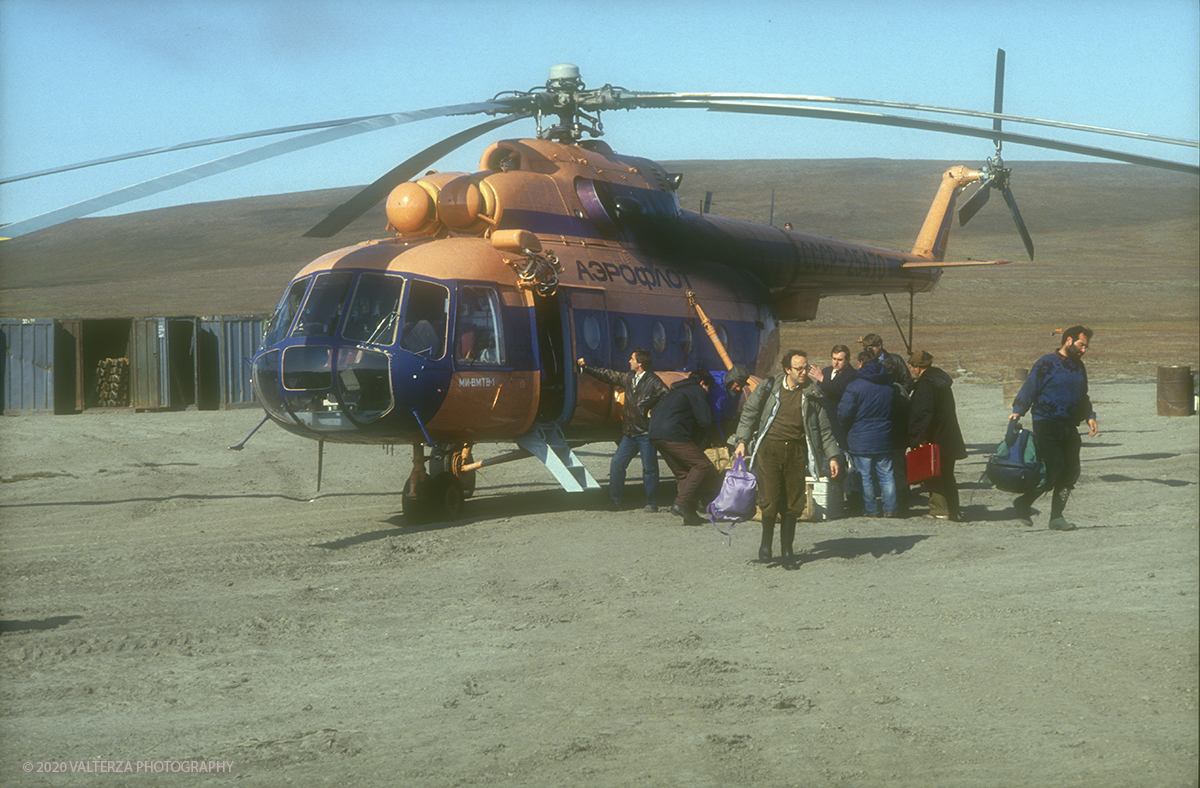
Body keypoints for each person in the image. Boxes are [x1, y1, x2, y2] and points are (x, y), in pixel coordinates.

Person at [731, 350, 842, 567]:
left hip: (796, 453)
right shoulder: (769, 387)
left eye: (806, 367)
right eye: (799, 368)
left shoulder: (811, 393)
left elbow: (824, 429)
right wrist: (741, 440)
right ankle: (765, 543)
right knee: (770, 500)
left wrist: (832, 456)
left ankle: (787, 551)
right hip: (769, 451)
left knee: (793, 503)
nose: (804, 372)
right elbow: (749, 414)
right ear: (787, 370)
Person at [1009, 326, 1099, 531]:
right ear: (1068, 340)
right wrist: (1018, 411)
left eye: (1086, 346)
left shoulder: (1079, 367)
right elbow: (1030, 387)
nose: (1084, 350)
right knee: (1054, 470)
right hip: (1047, 422)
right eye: (1081, 345)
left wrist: (1090, 416)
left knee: (1071, 472)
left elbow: (1083, 395)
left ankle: (1056, 518)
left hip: (1069, 424)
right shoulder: (1046, 363)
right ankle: (1024, 502)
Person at [577, 350, 669, 512]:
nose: (629, 361)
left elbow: (667, 397)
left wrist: (653, 411)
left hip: (645, 433)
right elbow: (608, 375)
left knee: (649, 469)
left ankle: (651, 503)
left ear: (640, 363)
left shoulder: (653, 381)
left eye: (632, 359)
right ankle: (615, 501)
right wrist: (587, 368)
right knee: (617, 464)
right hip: (630, 432)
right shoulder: (629, 378)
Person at [649, 368, 720, 525]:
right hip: (673, 434)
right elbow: (705, 420)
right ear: (703, 383)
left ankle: (689, 513)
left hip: (655, 434)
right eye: (708, 388)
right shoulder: (696, 390)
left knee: (682, 473)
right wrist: (717, 439)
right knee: (702, 465)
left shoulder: (676, 391)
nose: (708, 392)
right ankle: (681, 504)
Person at [838, 351, 901, 517]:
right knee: (887, 474)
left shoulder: (855, 386)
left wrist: (845, 428)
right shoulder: (888, 386)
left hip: (861, 437)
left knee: (865, 476)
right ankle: (890, 508)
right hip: (884, 435)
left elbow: (844, 413)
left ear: (860, 363)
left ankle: (871, 509)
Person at [907, 350, 967, 521]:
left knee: (932, 475)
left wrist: (920, 438)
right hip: (948, 436)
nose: (911, 370)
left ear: (918, 368)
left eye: (911, 367)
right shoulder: (940, 382)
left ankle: (939, 510)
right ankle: (954, 510)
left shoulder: (926, 385)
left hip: (934, 437)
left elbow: (924, 414)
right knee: (947, 474)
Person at [704, 364, 751, 474]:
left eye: (742, 385)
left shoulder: (736, 389)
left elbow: (733, 407)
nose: (739, 389)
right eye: (737, 385)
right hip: (712, 420)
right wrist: (719, 439)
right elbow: (716, 418)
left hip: (725, 418)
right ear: (730, 380)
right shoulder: (717, 390)